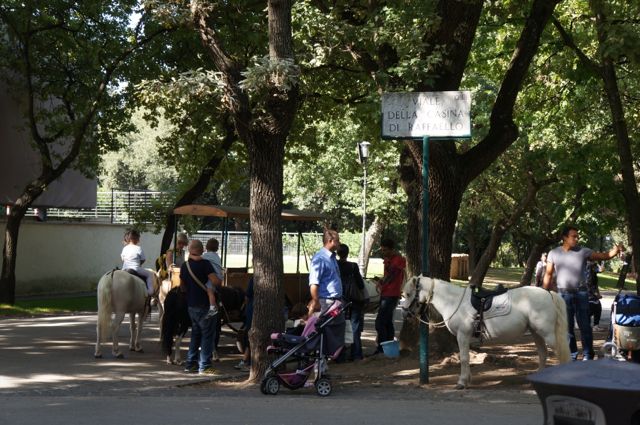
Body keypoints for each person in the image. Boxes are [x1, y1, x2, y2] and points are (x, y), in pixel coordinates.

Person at [543, 225, 624, 361]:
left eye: (577, 236)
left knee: (585, 326)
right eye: (573, 236)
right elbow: (548, 275)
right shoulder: (553, 253)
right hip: (563, 295)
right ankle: (573, 355)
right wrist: (544, 293)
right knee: (567, 328)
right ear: (564, 237)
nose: (576, 238)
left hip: (581, 294)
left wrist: (615, 251)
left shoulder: (583, 251)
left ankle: (588, 355)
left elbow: (603, 256)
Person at [180, 239, 222, 375]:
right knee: (208, 335)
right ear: (202, 250)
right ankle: (205, 366)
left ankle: (190, 364)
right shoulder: (205, 264)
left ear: (189, 250)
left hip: (191, 305)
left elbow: (182, 286)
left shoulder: (185, 266)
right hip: (205, 305)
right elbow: (216, 282)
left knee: (195, 334)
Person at [308, 229, 345, 349]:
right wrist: (316, 300)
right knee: (326, 328)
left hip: (336, 300)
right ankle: (322, 356)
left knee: (338, 326)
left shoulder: (332, 257)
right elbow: (314, 282)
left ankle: (334, 354)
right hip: (327, 301)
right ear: (330, 241)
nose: (339, 243)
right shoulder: (320, 258)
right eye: (337, 241)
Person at [371, 238, 406, 356]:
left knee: (380, 322)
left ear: (392, 249)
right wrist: (381, 282)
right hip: (386, 293)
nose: (383, 252)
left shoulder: (397, 260)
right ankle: (388, 348)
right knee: (387, 322)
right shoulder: (388, 259)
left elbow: (391, 275)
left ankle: (382, 347)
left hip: (391, 295)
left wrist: (381, 283)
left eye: (385, 250)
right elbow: (387, 276)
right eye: (382, 250)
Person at [337, 243, 366, 361]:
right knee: (355, 327)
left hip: (340, 300)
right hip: (354, 300)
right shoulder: (353, 266)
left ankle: (340, 356)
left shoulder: (335, 265)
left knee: (340, 327)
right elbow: (360, 284)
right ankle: (356, 354)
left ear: (338, 253)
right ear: (347, 253)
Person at [120, 229, 155, 296]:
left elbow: (123, 259)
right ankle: (150, 291)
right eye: (138, 238)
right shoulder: (138, 248)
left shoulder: (125, 248)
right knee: (150, 274)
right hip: (136, 268)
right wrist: (139, 264)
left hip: (124, 269)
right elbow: (143, 259)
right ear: (135, 239)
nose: (139, 240)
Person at [586, 261, 604, 332]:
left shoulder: (590, 273)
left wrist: (600, 263)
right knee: (595, 309)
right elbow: (592, 287)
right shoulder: (591, 276)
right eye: (595, 267)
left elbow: (601, 270)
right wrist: (597, 295)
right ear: (593, 268)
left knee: (596, 309)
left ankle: (594, 325)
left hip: (590, 296)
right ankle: (594, 326)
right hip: (590, 296)